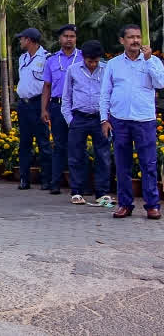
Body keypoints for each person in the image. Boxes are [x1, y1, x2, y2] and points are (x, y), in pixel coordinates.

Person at [100, 24, 164, 219]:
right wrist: (104, 119)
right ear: (122, 41)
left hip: (144, 120)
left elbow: (161, 83)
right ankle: (125, 204)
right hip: (120, 121)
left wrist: (149, 60)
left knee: (148, 164)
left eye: (138, 37)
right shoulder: (113, 64)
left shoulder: (153, 61)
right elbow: (105, 93)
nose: (135, 40)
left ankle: (152, 205)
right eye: (131, 37)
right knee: (122, 165)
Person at [60, 40, 112, 207]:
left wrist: (108, 118)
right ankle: (77, 192)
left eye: (96, 61)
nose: (93, 64)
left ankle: (102, 193)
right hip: (79, 118)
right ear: (83, 58)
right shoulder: (73, 70)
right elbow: (66, 97)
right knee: (76, 156)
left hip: (100, 118)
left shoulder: (106, 69)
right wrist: (70, 120)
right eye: (90, 61)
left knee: (103, 156)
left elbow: (111, 93)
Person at [41, 24, 80, 195]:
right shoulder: (51, 60)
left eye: (72, 36)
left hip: (76, 107)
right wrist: (44, 108)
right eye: (66, 36)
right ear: (60, 39)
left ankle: (80, 185)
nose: (69, 39)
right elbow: (47, 86)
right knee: (59, 145)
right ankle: (55, 183)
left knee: (77, 146)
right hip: (57, 106)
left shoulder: (83, 57)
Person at [15, 28, 52, 191]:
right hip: (23, 104)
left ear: (29, 40)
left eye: (21, 39)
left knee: (43, 143)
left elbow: (48, 84)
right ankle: (24, 178)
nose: (20, 42)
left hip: (38, 104)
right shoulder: (22, 58)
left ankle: (47, 179)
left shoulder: (47, 58)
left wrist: (45, 107)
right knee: (24, 143)